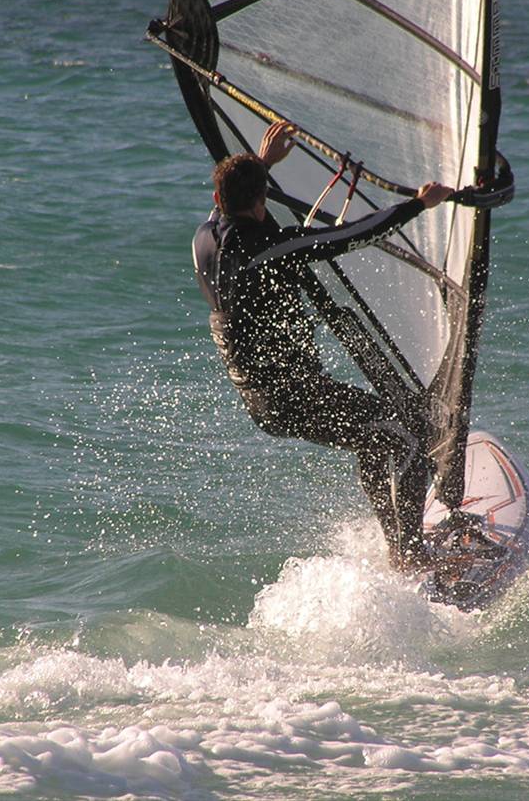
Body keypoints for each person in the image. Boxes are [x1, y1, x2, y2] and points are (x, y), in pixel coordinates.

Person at [192, 120, 453, 568]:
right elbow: (351, 234)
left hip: (262, 397)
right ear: (261, 204)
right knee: (405, 436)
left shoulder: (204, 239)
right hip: (291, 396)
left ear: (218, 199)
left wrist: (261, 163)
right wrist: (418, 204)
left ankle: (400, 548)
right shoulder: (272, 249)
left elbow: (229, 203)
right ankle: (411, 556)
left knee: (376, 437)